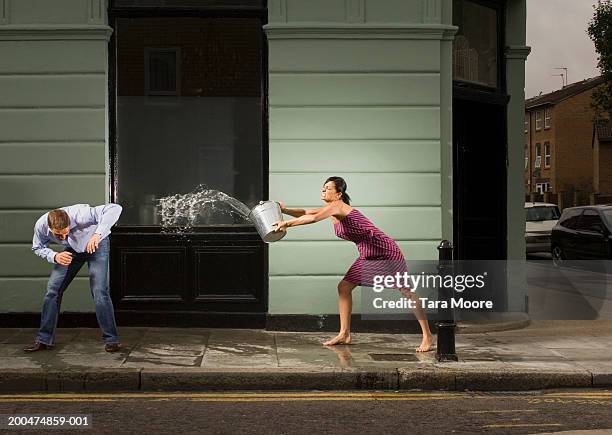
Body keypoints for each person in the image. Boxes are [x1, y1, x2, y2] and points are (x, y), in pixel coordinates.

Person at [273, 176, 434, 352]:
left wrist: (286, 223)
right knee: (344, 287)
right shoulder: (330, 208)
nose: (323, 190)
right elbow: (306, 213)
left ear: (338, 194)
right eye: (323, 187)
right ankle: (344, 334)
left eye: (327, 188)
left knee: (406, 291)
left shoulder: (338, 206)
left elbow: (312, 219)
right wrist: (285, 210)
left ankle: (427, 336)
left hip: (385, 251)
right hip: (367, 254)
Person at [24, 203, 123, 353]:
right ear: (50, 228)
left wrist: (97, 235)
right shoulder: (41, 225)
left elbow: (115, 208)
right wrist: (55, 255)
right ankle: (43, 339)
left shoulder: (80, 213)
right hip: (71, 250)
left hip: (96, 245)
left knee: (99, 291)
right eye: (58, 235)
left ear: (70, 222)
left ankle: (112, 340)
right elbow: (37, 247)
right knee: (53, 290)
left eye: (66, 232)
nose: (63, 237)